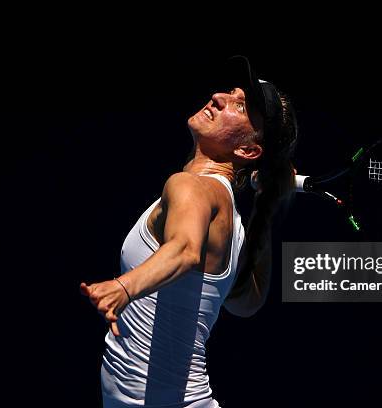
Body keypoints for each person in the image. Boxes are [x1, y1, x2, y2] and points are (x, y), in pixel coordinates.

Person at [80, 56, 298, 407]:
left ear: (247, 150)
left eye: (239, 106)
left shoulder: (191, 187)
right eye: (231, 92)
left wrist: (124, 287)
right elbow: (246, 302)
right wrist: (266, 204)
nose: (218, 97)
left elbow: (184, 249)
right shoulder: (232, 222)